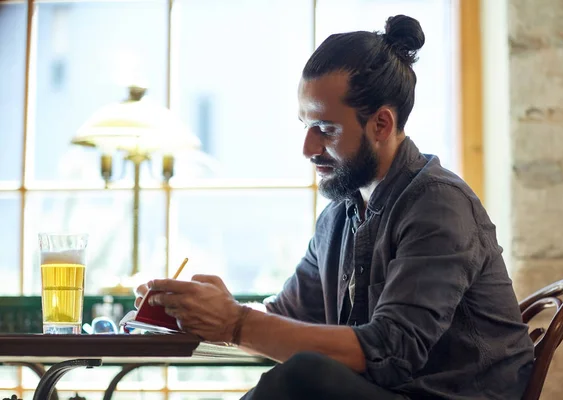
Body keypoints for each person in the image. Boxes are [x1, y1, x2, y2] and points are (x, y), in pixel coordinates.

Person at [136, 14, 534, 399]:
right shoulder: (341, 214)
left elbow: (391, 350)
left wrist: (236, 323)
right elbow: (288, 317)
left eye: (325, 130)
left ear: (381, 124)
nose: (308, 148)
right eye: (305, 127)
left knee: (303, 375)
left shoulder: (439, 206)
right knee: (300, 373)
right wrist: (203, 311)